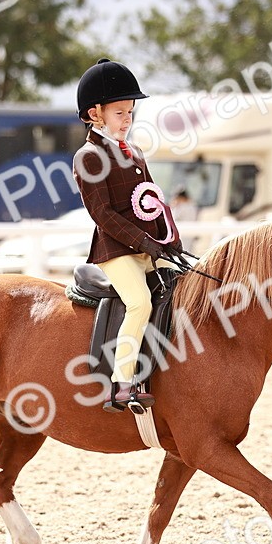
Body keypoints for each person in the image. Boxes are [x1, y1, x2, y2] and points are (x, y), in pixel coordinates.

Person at [72, 58, 183, 411]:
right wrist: (143, 242)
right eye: (119, 113)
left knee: (184, 289)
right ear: (95, 114)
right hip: (116, 250)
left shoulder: (133, 152)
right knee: (139, 302)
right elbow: (102, 214)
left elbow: (151, 198)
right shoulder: (88, 156)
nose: (127, 120)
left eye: (130, 112)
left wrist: (169, 238)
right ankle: (121, 384)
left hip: (147, 248)